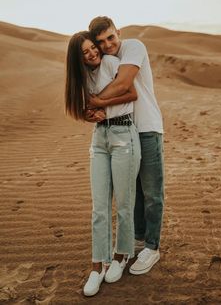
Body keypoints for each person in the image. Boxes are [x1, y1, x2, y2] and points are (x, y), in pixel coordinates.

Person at [65, 31, 141, 296]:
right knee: (99, 208)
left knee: (123, 204)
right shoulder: (82, 76)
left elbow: (132, 94)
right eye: (85, 52)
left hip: (123, 135)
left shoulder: (110, 63)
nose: (92, 53)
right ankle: (97, 266)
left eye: (92, 48)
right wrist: (91, 112)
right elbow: (86, 108)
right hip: (100, 139)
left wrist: (102, 102)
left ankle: (121, 256)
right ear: (79, 57)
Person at [88, 16, 164, 275]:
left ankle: (152, 248)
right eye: (101, 41)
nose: (108, 44)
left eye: (111, 37)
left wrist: (95, 103)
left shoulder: (133, 47)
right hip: (125, 131)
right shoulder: (104, 62)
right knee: (134, 194)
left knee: (152, 192)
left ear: (118, 32)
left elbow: (123, 84)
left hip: (148, 127)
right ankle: (140, 239)